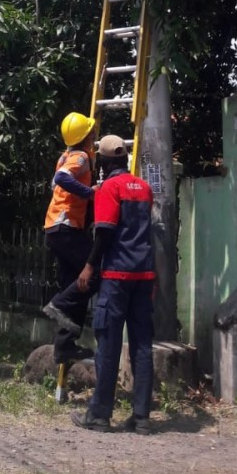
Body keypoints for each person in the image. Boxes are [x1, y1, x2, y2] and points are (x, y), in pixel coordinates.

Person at [72, 134, 155, 434]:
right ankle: (142, 417)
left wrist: (88, 266)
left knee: (108, 344)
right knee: (142, 345)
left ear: (105, 163)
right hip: (144, 276)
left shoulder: (110, 188)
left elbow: (105, 232)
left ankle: (99, 414)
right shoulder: (145, 188)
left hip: (117, 276)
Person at [42, 111, 98, 364]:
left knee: (77, 285)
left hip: (55, 228)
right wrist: (90, 192)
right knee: (94, 273)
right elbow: (61, 179)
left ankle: (64, 346)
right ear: (85, 136)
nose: (94, 134)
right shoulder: (80, 157)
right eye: (91, 132)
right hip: (66, 229)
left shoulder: (65, 156)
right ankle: (60, 304)